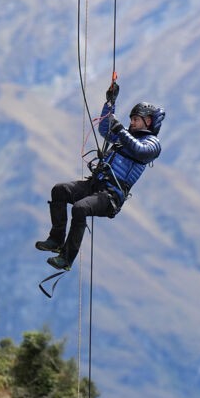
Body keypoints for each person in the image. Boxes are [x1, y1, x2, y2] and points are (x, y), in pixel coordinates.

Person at [36, 82, 164, 270]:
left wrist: (121, 131)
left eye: (136, 119)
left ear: (149, 122)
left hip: (110, 196)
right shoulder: (125, 136)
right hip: (95, 185)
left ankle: (66, 258)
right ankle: (56, 239)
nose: (132, 123)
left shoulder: (152, 144)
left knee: (80, 208)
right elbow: (104, 129)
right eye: (132, 119)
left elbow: (140, 151)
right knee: (60, 190)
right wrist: (110, 103)